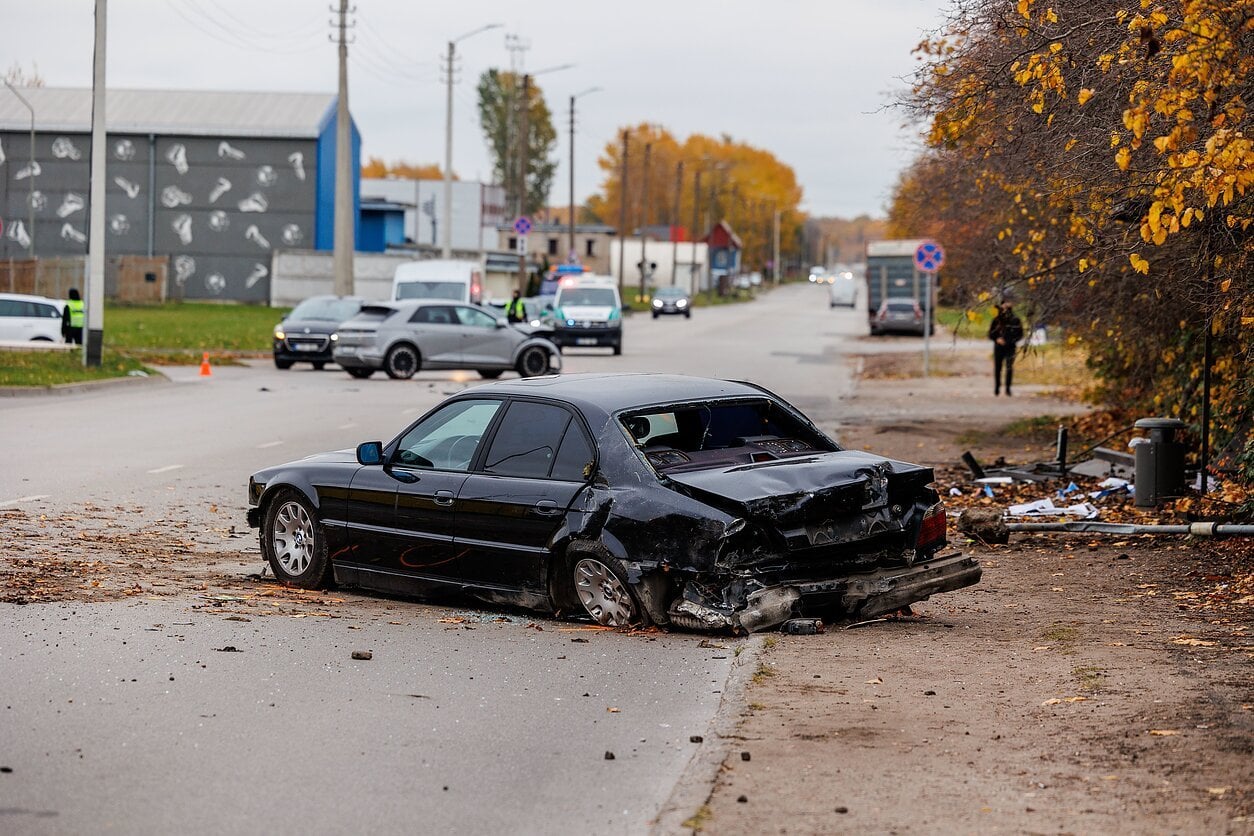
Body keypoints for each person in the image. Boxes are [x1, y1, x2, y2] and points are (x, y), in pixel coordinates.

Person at [988, 300, 1024, 395]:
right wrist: (997, 339)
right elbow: (991, 334)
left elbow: (1019, 334)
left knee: (1009, 367)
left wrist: (1009, 341)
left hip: (1010, 347)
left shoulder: (1015, 320)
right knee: (998, 368)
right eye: (1003, 304)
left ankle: (1008, 388)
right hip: (998, 347)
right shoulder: (996, 320)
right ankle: (997, 387)